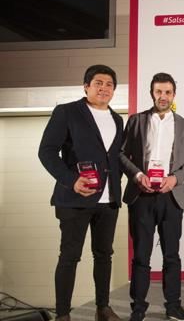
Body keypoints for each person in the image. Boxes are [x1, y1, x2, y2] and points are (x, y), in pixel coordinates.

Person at [39, 64, 123, 321]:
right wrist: (71, 180)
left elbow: (114, 158)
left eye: (109, 84)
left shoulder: (117, 118)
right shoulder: (67, 112)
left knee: (104, 255)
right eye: (98, 82)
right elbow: (47, 151)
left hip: (108, 200)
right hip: (75, 199)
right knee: (70, 256)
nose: (104, 88)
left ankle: (103, 308)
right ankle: (63, 314)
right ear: (86, 86)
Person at [120, 73, 184, 321]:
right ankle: (138, 308)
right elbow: (122, 155)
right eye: (158, 92)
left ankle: (173, 306)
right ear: (152, 93)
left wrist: (174, 179)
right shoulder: (136, 121)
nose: (163, 96)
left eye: (167, 92)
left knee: (171, 255)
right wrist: (137, 176)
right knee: (141, 255)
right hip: (141, 196)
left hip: (171, 196)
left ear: (174, 94)